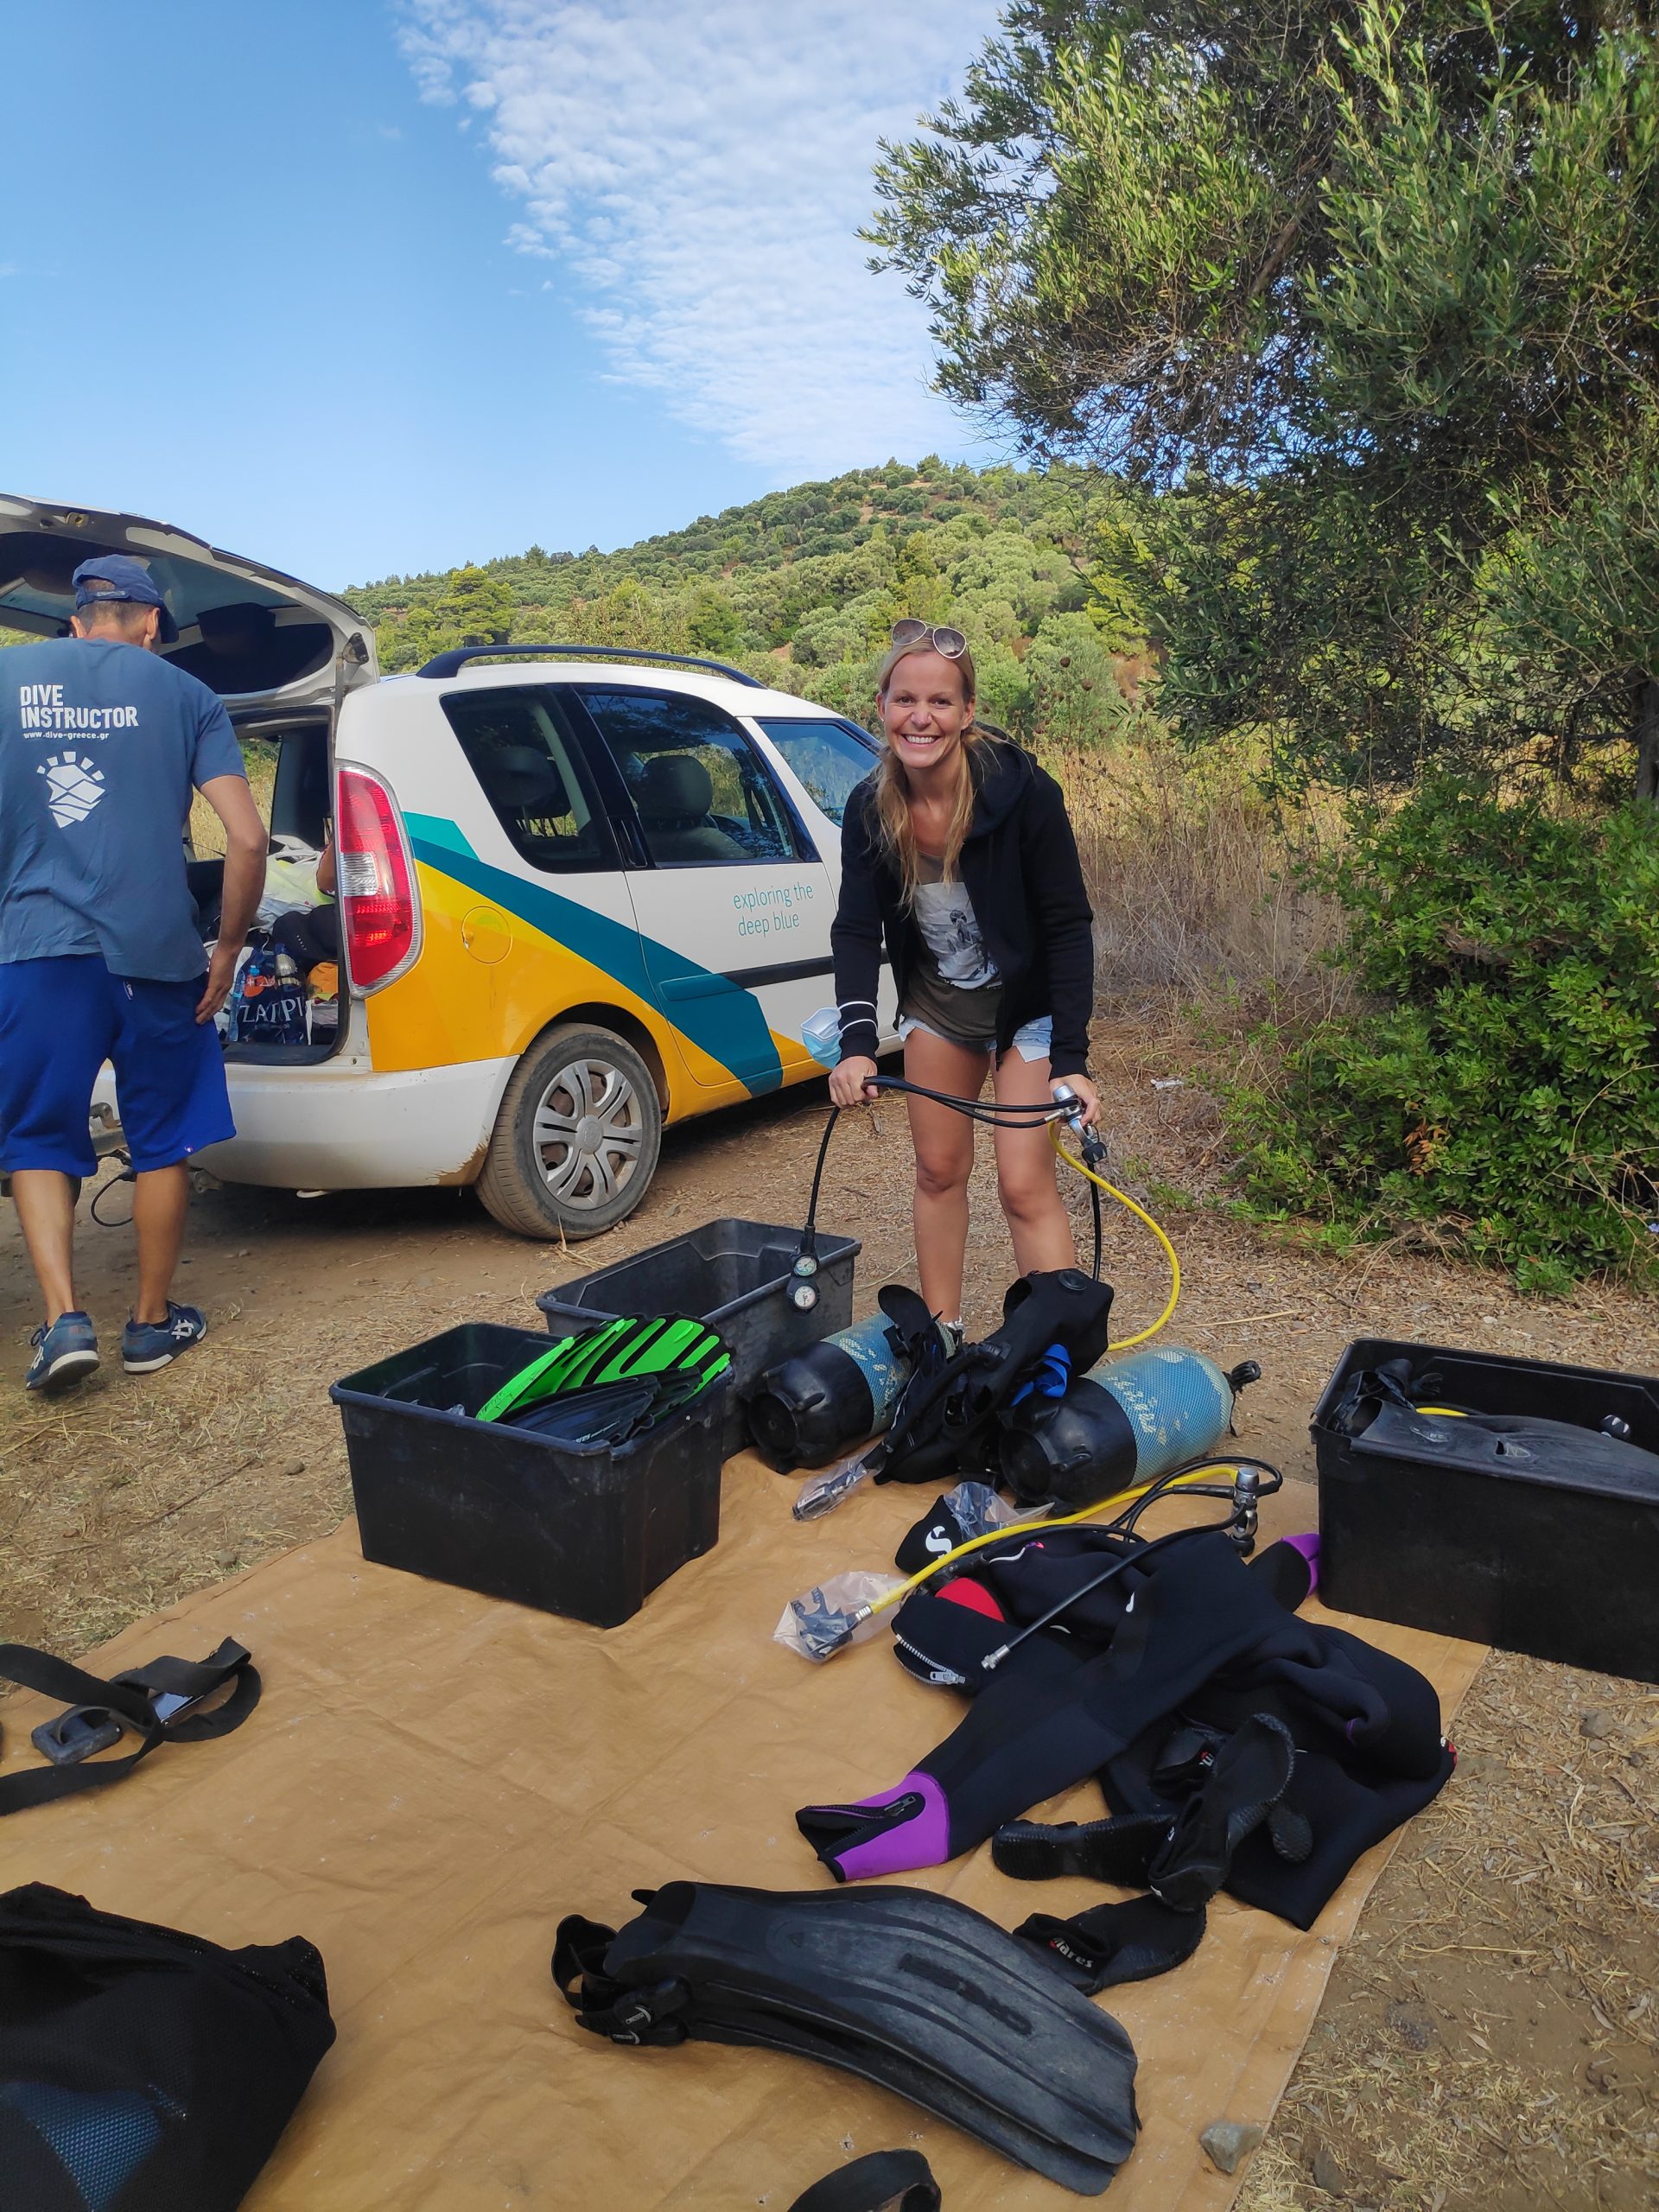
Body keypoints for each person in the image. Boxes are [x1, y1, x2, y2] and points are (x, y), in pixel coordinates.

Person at [0, 554, 267, 1393]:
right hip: (155, 952)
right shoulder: (187, 695)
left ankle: (63, 1322)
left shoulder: (7, 680)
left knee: (35, 1138)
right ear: (152, 622)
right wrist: (226, 948)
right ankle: (151, 1326)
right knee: (162, 1139)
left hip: (35, 947)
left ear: (74, 619)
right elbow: (248, 838)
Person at [828, 620, 1100, 1336]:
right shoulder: (869, 808)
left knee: (1023, 1183)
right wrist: (857, 1045)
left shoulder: (1024, 793)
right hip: (940, 1005)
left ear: (968, 711)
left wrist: (1071, 1058)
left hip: (1024, 1012)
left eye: (940, 702)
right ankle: (940, 1341)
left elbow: (1068, 925)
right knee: (938, 1172)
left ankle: (1052, 1355)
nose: (921, 718)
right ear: (881, 707)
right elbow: (855, 928)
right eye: (905, 700)